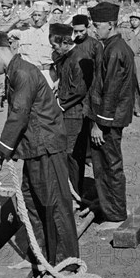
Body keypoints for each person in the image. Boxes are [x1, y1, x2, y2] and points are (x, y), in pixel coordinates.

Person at [0, 31, 79, 270]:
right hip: (34, 148)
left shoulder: (23, 73)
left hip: (46, 148)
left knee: (54, 205)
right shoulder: (14, 71)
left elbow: (19, 116)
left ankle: (65, 266)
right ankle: (41, 257)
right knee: (33, 203)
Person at [85, 2, 138, 230]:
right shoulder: (112, 46)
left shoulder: (115, 50)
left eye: (97, 25)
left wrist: (100, 125)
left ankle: (115, 217)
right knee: (107, 164)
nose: (94, 29)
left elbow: (111, 91)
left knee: (108, 165)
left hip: (109, 119)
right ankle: (114, 208)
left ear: (110, 24)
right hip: (111, 117)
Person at [50, 22, 97, 197]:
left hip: (75, 114)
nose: (54, 50)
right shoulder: (68, 57)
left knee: (72, 155)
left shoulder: (77, 58)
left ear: (64, 43)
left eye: (55, 46)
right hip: (69, 111)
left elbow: (79, 90)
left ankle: (75, 193)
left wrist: (59, 105)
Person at [8, 1, 54, 88]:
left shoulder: (53, 31)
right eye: (34, 15)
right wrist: (17, 19)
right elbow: (1, 33)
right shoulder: (23, 31)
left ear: (46, 14)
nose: (36, 19)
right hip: (27, 74)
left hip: (47, 74)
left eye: (39, 15)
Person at [120, 10, 140, 117]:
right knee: (127, 84)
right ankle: (127, 108)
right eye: (132, 20)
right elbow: (115, 29)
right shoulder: (125, 32)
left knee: (139, 84)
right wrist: (122, 20)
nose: (133, 22)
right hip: (128, 59)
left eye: (136, 20)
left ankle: (138, 108)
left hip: (139, 59)